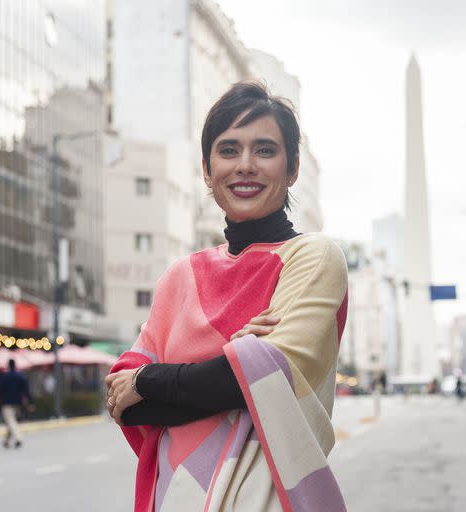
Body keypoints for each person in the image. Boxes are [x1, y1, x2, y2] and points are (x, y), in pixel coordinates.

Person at [105, 82, 349, 511]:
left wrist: (151, 381)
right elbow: (122, 399)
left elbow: (259, 379)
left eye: (266, 150)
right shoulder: (180, 277)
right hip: (177, 496)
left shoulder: (313, 258)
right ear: (206, 168)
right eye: (229, 150)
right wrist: (239, 358)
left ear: (292, 169)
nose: (246, 165)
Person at [0, 359, 33, 448]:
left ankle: (18, 438)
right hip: (17, 402)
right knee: (11, 421)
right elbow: (26, 390)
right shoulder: (20, 376)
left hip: (6, 402)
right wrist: (30, 401)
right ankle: (6, 441)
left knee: (11, 421)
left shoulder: (4, 376)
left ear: (8, 365)